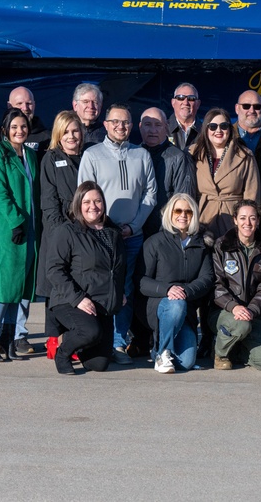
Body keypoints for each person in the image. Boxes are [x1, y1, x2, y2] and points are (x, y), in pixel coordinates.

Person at [78, 103, 157, 364]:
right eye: (115, 122)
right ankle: (98, 339)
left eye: (125, 122)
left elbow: (150, 194)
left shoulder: (141, 155)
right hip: (101, 237)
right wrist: (104, 227)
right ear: (106, 124)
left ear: (131, 126)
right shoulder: (92, 154)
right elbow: (85, 196)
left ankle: (119, 343)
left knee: (125, 290)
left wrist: (133, 226)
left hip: (132, 237)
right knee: (101, 288)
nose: (120, 127)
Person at [41, 181, 126, 375]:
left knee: (99, 364)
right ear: (78, 204)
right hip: (70, 301)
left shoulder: (113, 233)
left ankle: (82, 341)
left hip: (101, 303)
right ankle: (62, 352)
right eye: (87, 201)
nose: (93, 206)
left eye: (97, 201)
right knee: (89, 332)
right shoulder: (67, 231)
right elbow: (54, 270)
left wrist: (121, 292)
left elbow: (119, 269)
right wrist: (78, 298)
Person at [0, 108, 40, 362]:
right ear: (4, 129)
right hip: (5, 229)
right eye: (14, 127)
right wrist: (15, 220)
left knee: (20, 288)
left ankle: (9, 339)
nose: (19, 131)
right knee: (2, 287)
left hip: (30, 229)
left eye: (23, 126)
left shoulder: (32, 155)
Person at [138, 193, 215, 373]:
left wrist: (185, 291)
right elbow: (141, 281)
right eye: (178, 210)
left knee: (185, 363)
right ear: (169, 213)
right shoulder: (155, 242)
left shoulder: (201, 245)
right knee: (176, 303)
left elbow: (207, 278)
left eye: (188, 211)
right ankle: (162, 353)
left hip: (186, 307)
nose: (183, 215)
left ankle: (161, 348)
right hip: (159, 305)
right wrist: (167, 289)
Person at [211, 200, 261, 371]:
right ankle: (220, 353)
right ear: (235, 220)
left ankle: (236, 350)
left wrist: (252, 310)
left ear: (258, 221)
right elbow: (216, 285)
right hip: (223, 311)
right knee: (241, 326)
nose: (247, 223)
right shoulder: (221, 246)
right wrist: (233, 307)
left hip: (252, 314)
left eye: (252, 218)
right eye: (242, 218)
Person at [37, 110, 85, 346]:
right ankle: (54, 340)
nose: (71, 135)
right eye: (65, 131)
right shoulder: (51, 159)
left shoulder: (89, 155)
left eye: (75, 130)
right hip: (59, 232)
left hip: (86, 233)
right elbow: (49, 202)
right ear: (58, 133)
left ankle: (77, 335)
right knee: (57, 284)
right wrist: (62, 235)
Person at [191, 107, 260, 239]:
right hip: (202, 219)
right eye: (213, 126)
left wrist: (247, 224)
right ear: (206, 129)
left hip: (232, 223)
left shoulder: (245, 155)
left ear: (230, 129)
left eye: (223, 126)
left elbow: (252, 196)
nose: (218, 130)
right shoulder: (193, 153)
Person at [139, 107, 197, 237]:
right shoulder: (132, 155)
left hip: (164, 232)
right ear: (140, 126)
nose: (153, 130)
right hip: (135, 231)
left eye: (158, 125)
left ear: (166, 127)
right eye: (148, 124)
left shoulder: (178, 157)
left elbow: (184, 198)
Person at [168, 82, 202, 149]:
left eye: (191, 98)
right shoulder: (162, 129)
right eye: (180, 97)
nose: (185, 103)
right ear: (173, 102)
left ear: (198, 104)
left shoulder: (206, 132)